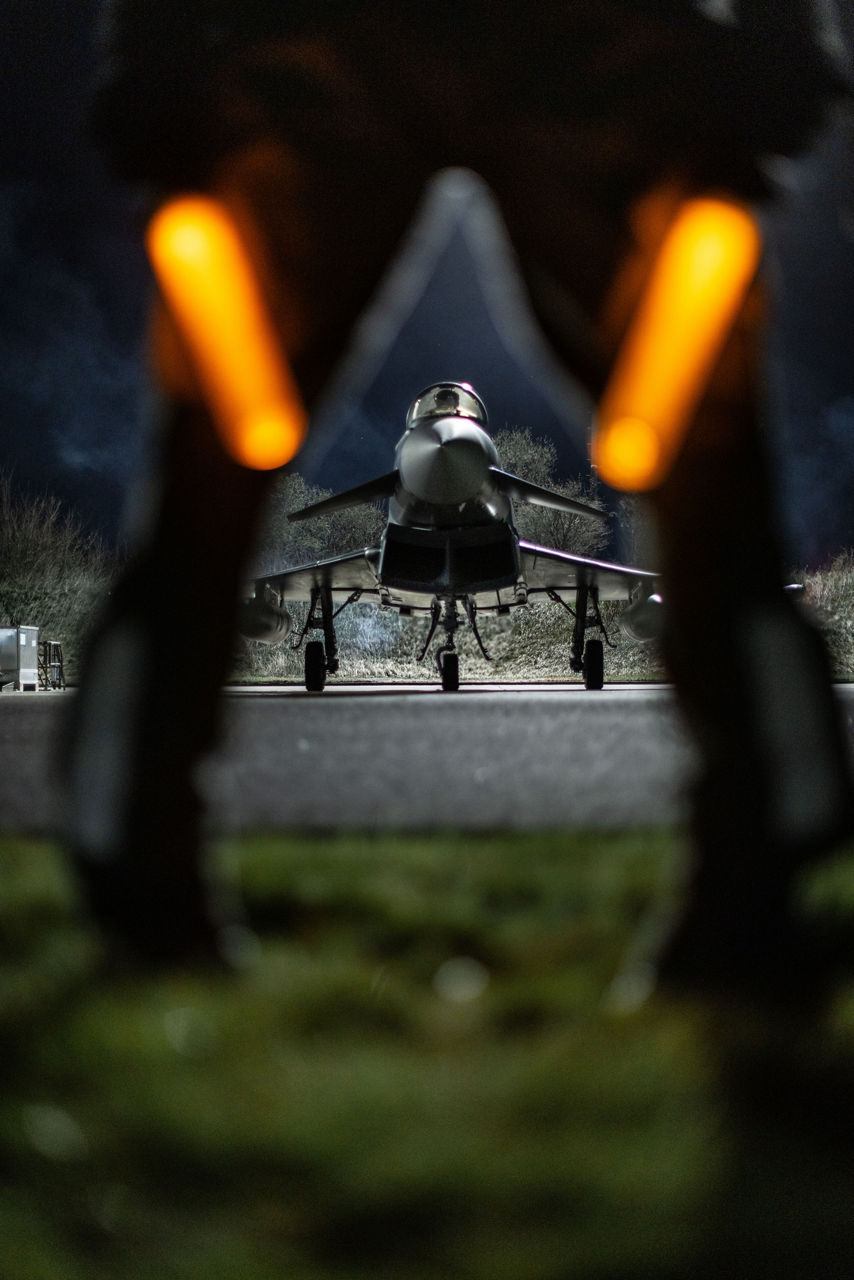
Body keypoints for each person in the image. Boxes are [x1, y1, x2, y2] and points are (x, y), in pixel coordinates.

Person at [64, 0, 854, 980]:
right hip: (481, 44)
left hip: (467, 40)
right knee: (218, 431)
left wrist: (781, 40)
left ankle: (754, 890)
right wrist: (154, 44)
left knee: (701, 440)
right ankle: (139, 884)